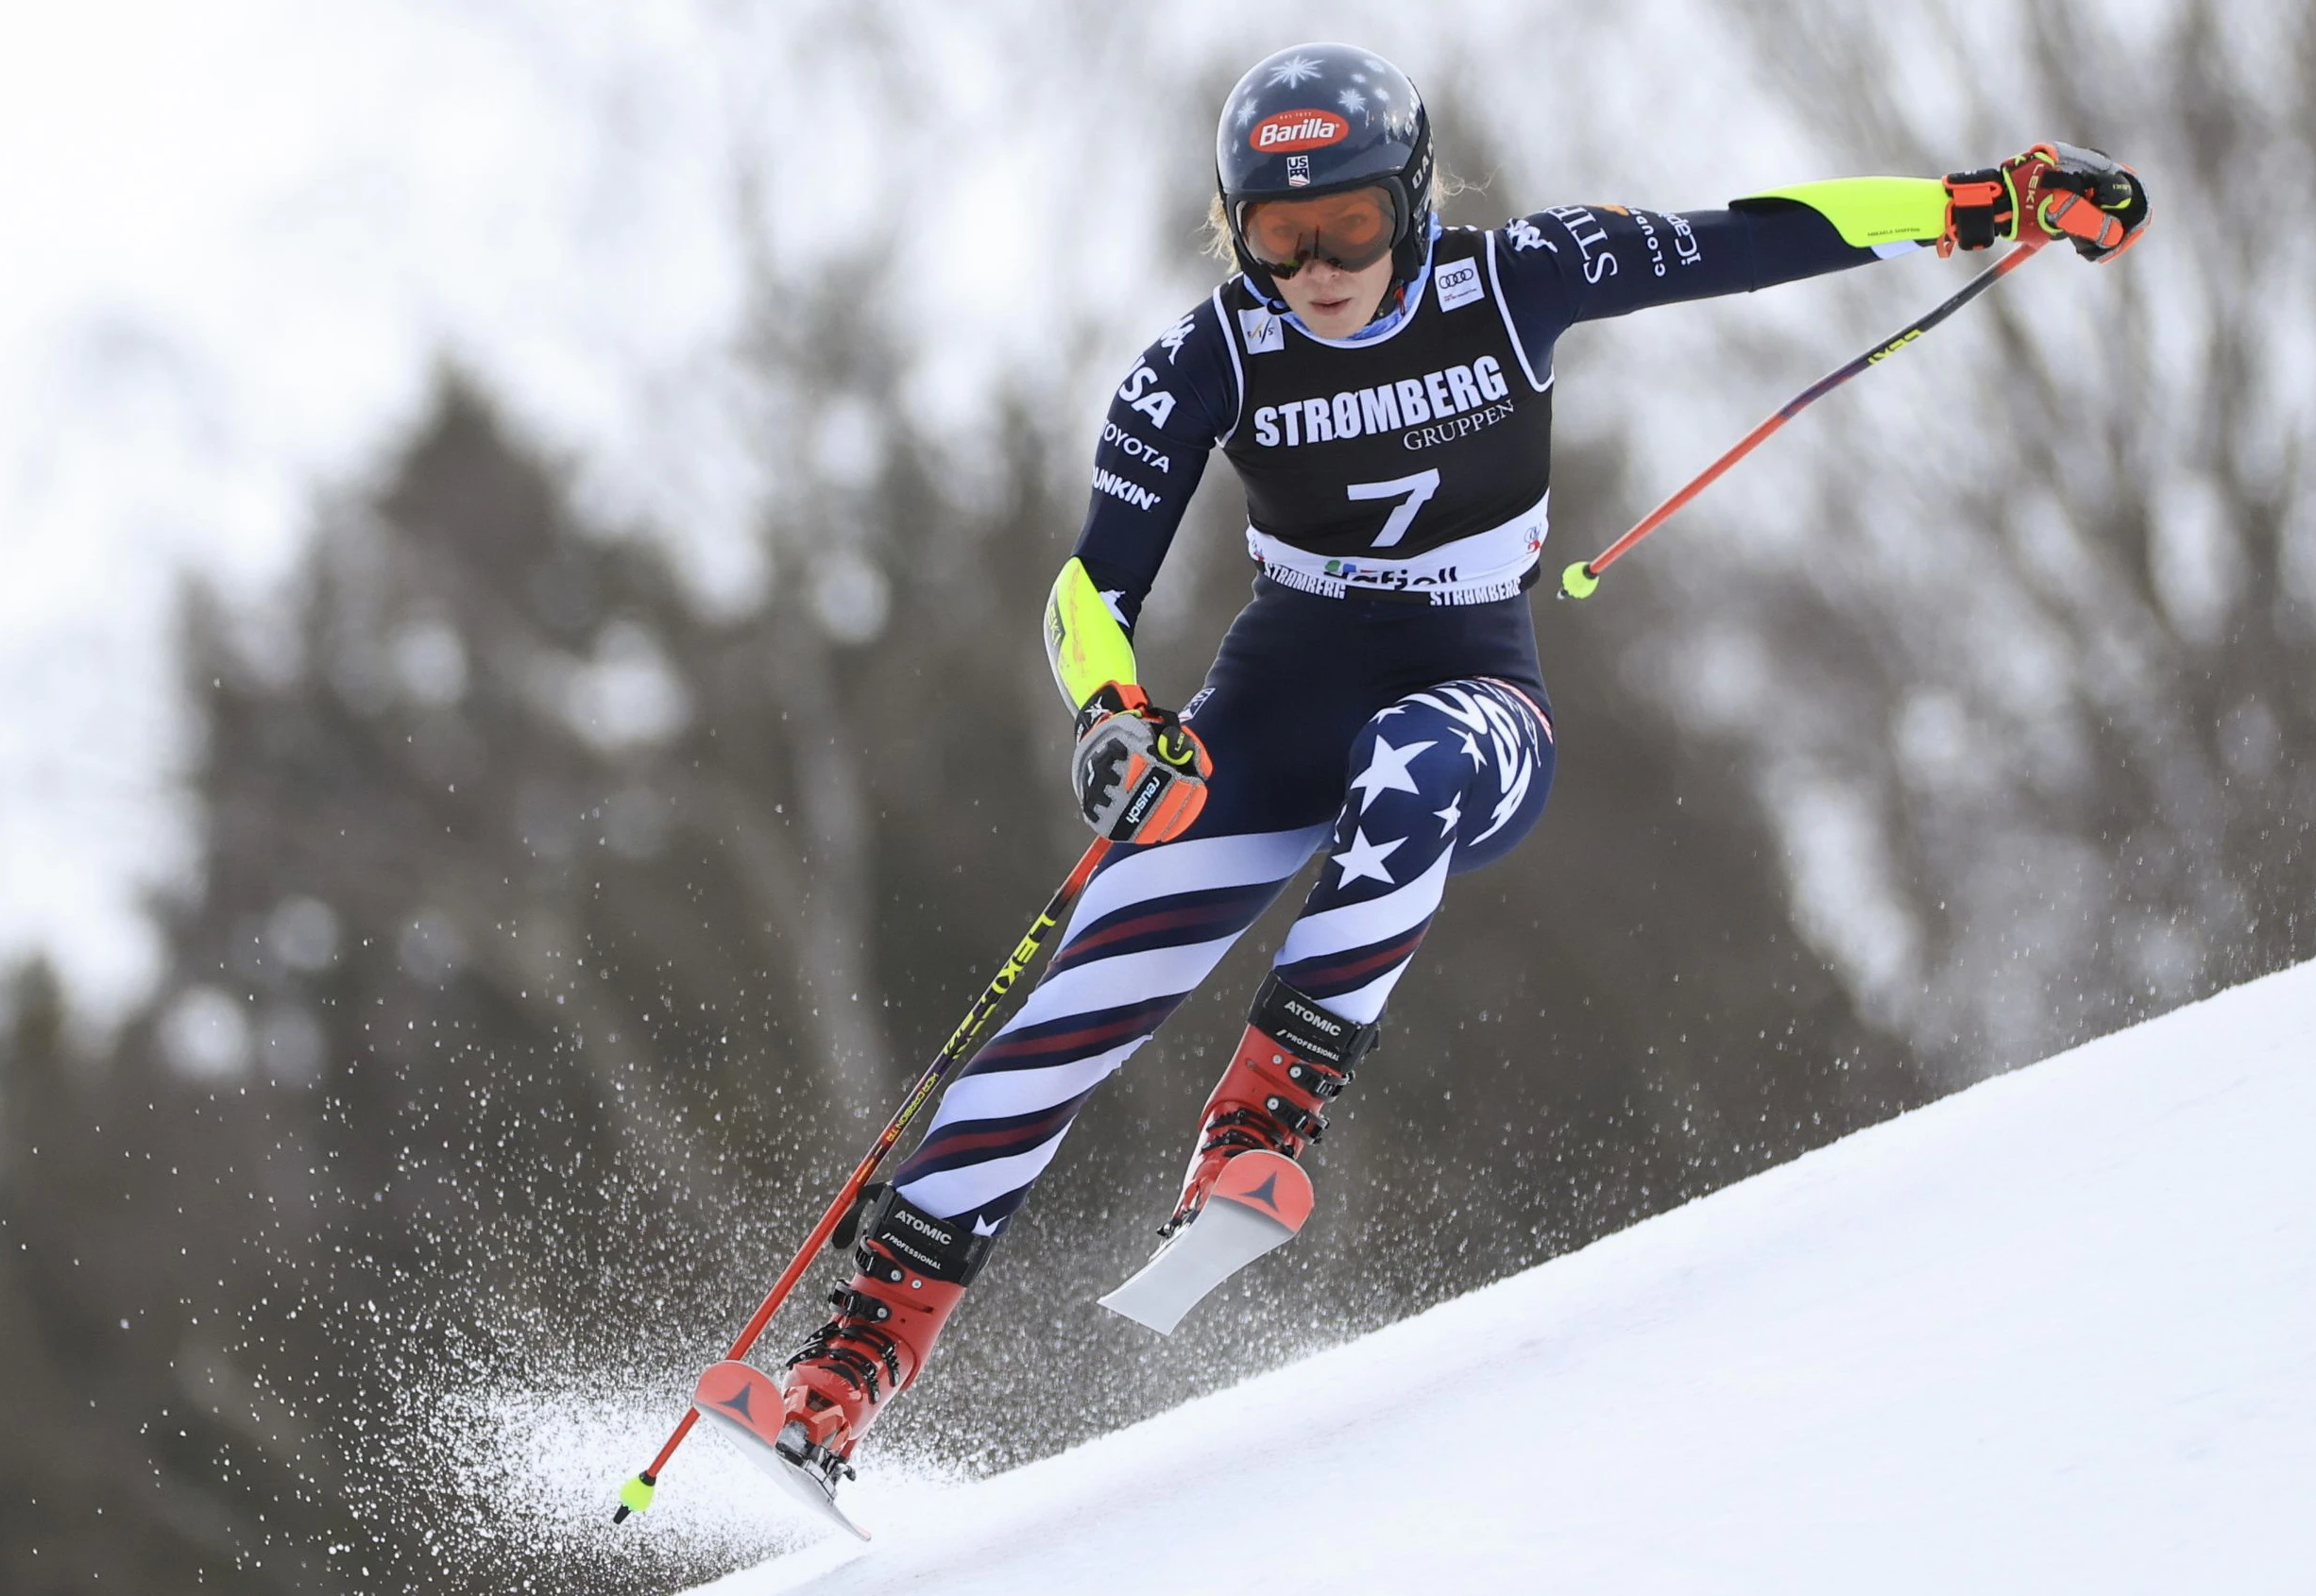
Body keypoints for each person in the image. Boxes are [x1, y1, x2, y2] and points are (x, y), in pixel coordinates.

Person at [768, 42, 2147, 1486]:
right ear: (1235, 229)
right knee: (1071, 1000)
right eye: (1278, 234)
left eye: (1349, 224)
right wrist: (1116, 715)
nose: (1316, 265)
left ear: (1412, 199)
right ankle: (845, 1368)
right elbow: (1087, 592)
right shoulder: (1209, 357)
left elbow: (1751, 234)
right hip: (1271, 706)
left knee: (1412, 762)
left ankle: (1263, 1117)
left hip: (1475, 692)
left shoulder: (1515, 281)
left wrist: (1992, 202)